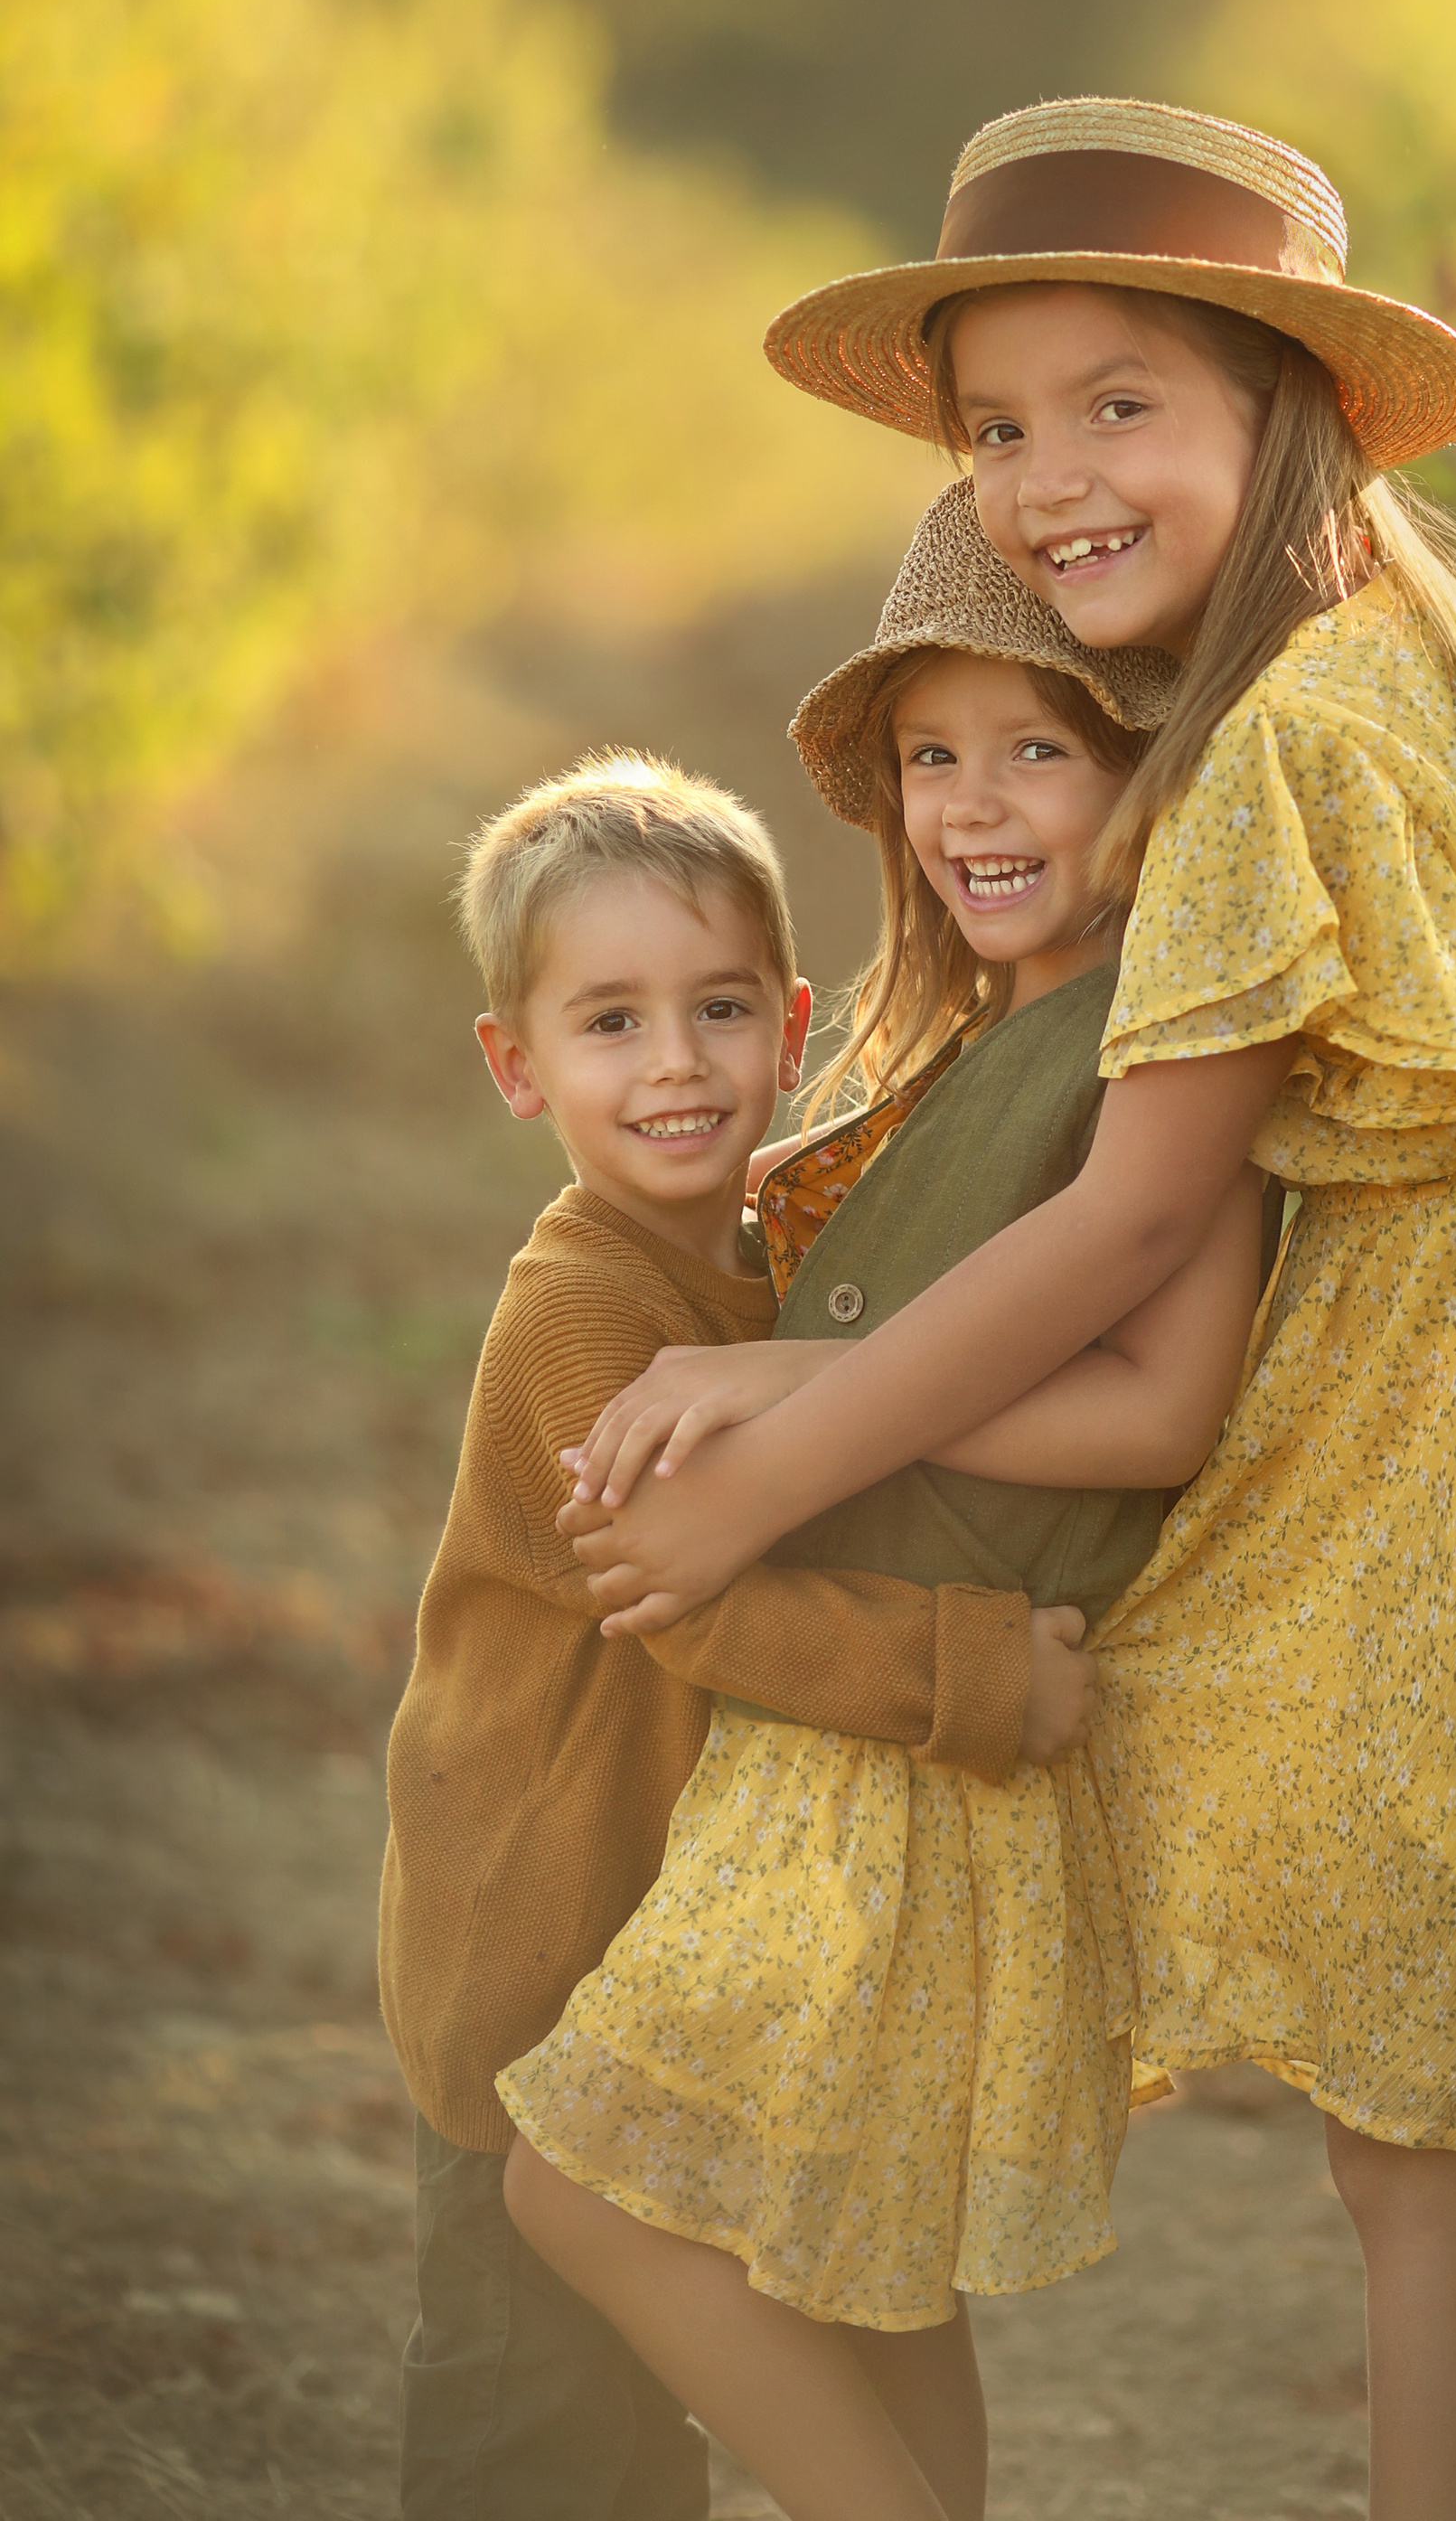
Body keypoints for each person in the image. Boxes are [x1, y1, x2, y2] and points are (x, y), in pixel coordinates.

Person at [563, 98, 1456, 2521]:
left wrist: (779, 1452)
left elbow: (1127, 1230)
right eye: (995, 429)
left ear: (1287, 403)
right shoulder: (1425, 660)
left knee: (1419, 2114)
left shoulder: (1273, 747)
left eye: (1116, 404)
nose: (1048, 483)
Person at [494, 496, 1270, 2521]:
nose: (971, 805)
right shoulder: (1001, 1040)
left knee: (581, 2192)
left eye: (1039, 748)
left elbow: (1156, 1412)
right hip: (862, 1737)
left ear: (1150, 777)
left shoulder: (1157, 1042)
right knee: (859, 2272)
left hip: (896, 1769)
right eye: (932, 756)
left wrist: (782, 1385)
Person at [381, 748, 1085, 2521]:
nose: (677, 1064)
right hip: (543, 1941)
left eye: (715, 1009)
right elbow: (689, 1608)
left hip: (693, 1949)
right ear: (516, 1068)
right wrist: (974, 1674)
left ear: (791, 1023)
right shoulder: (579, 1306)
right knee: (550, 2441)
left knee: (754, 2358)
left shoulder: (788, 1248)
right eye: (610, 1023)